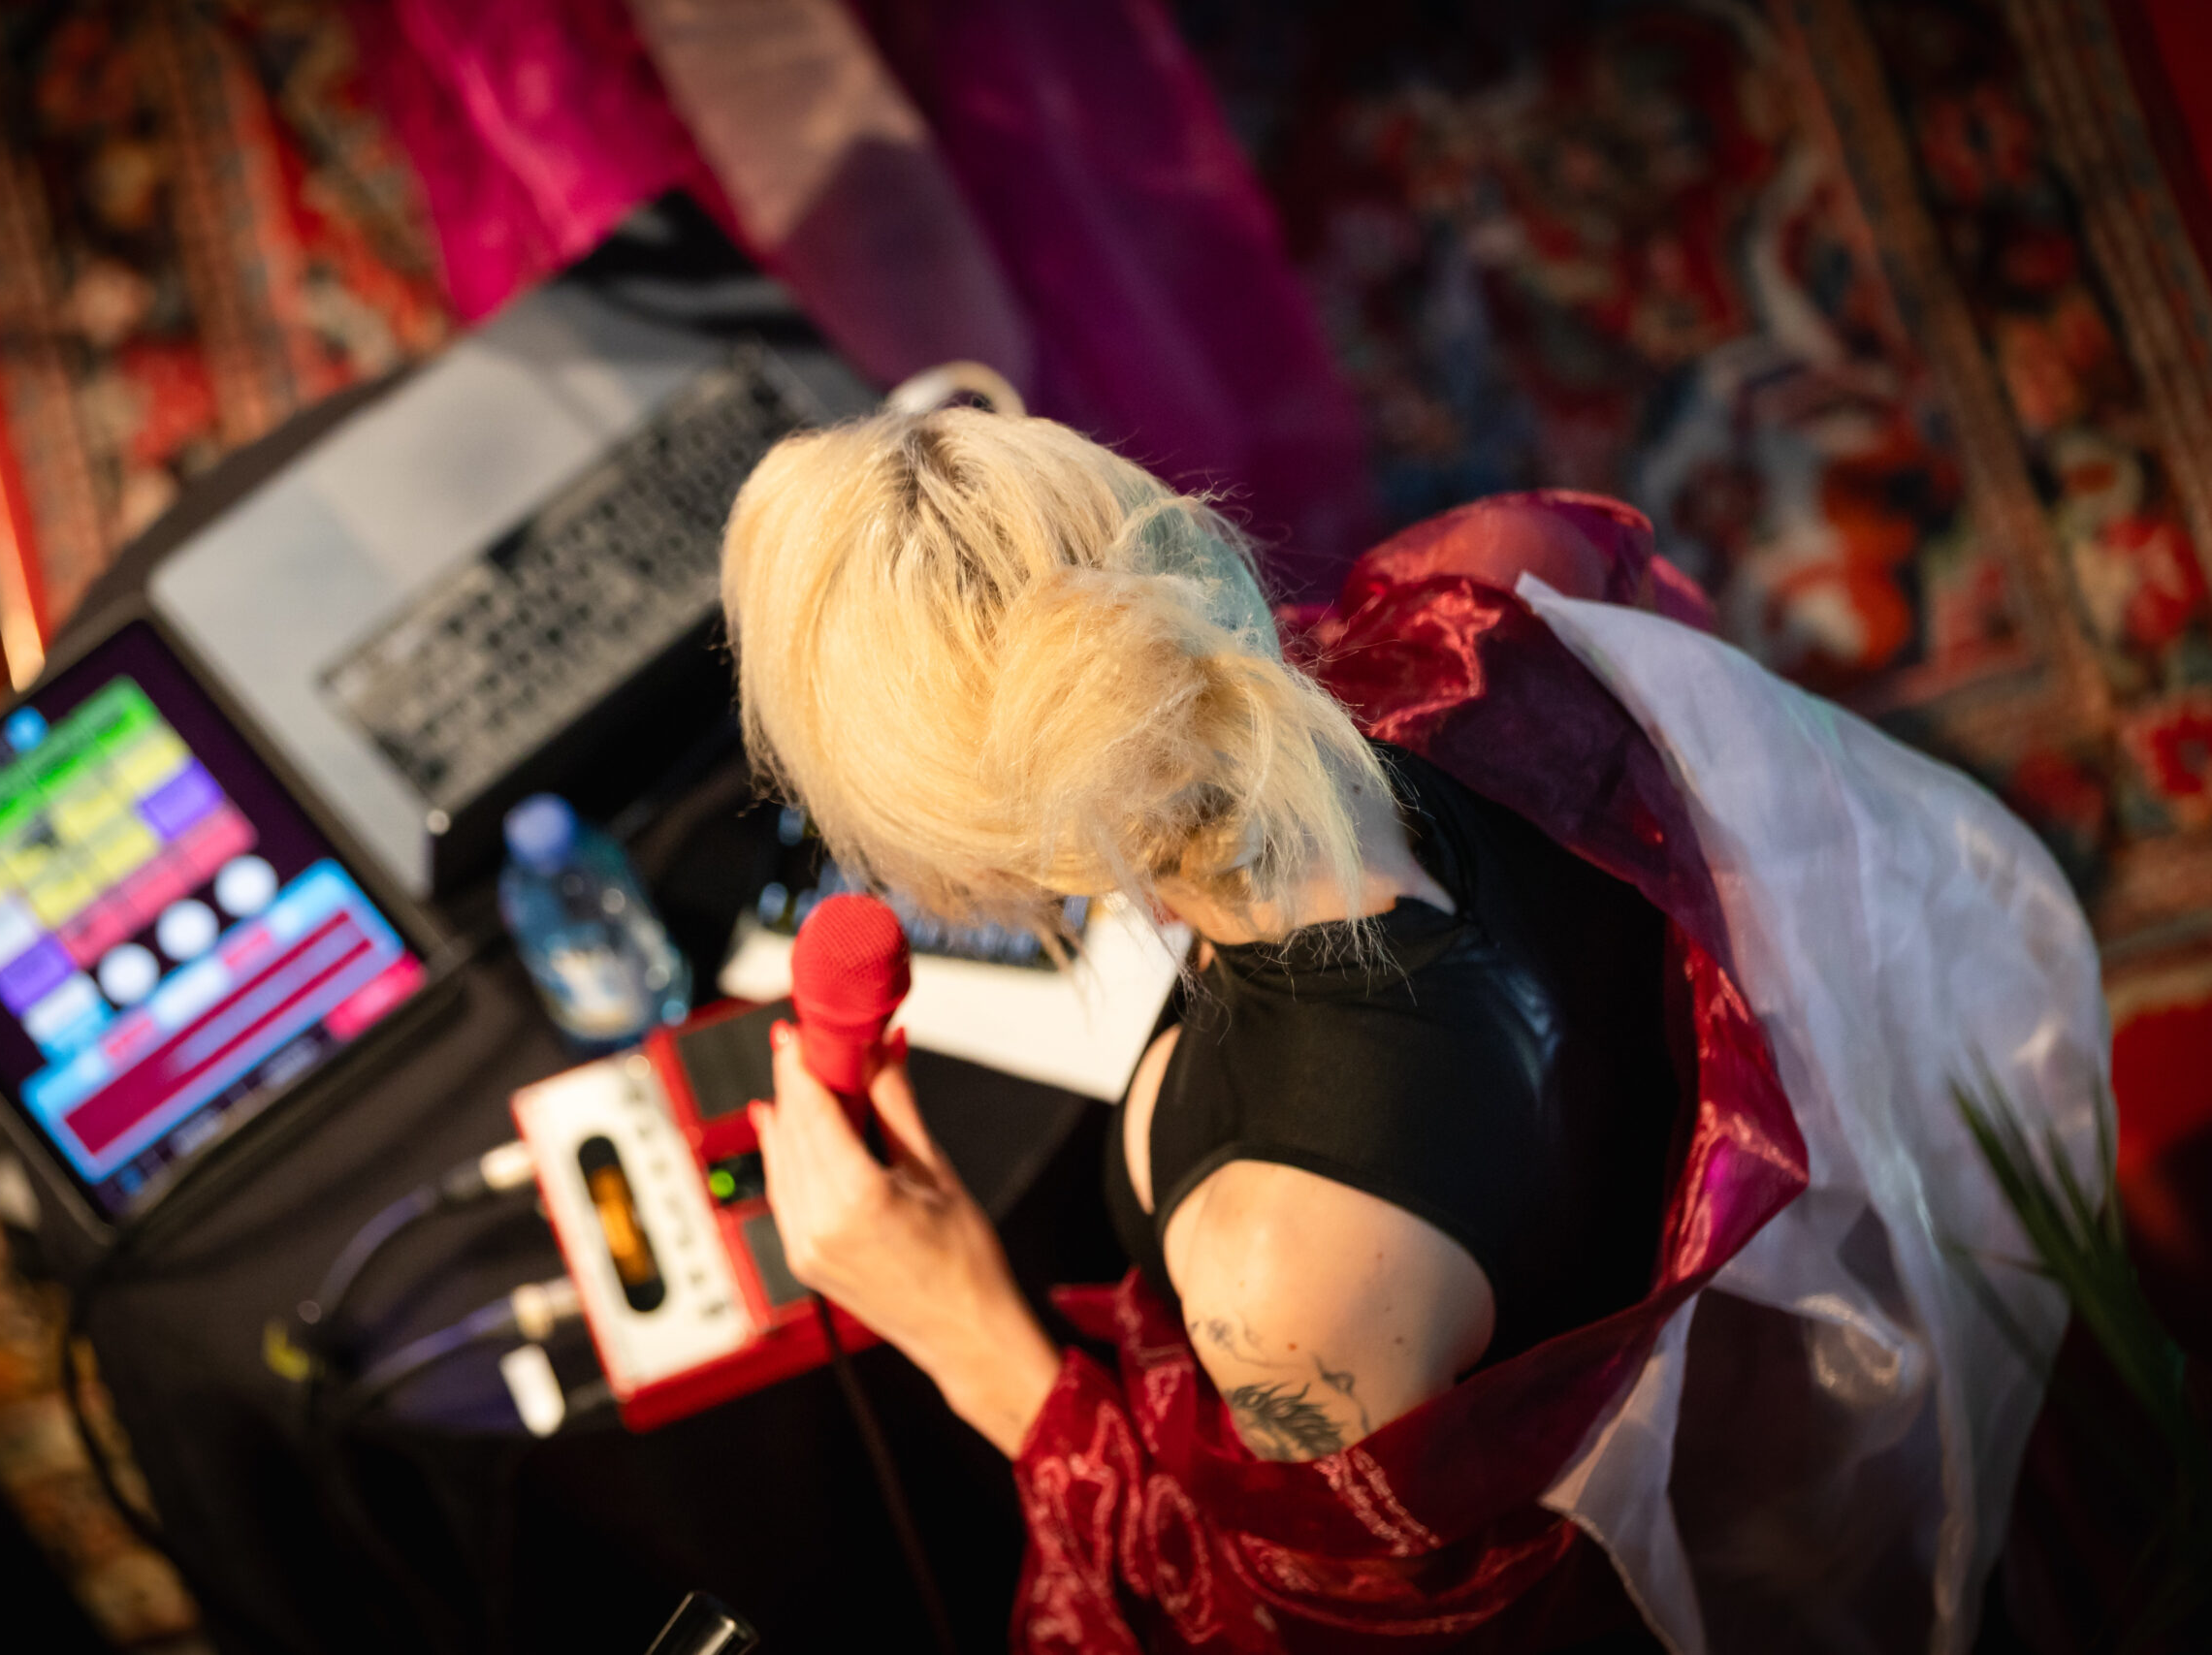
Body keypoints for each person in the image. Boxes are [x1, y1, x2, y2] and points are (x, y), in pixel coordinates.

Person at [726, 408, 2107, 1653]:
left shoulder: (1291, 1264)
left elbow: (1311, 1627)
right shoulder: (1463, 632)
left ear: (990, 859)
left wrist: (970, 1337)